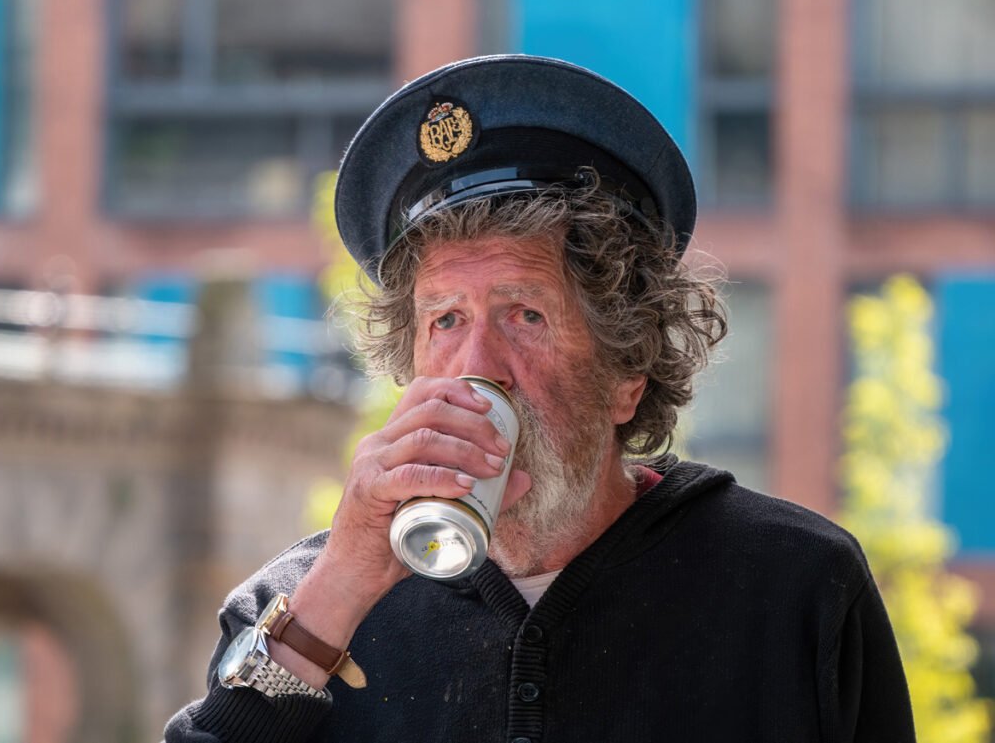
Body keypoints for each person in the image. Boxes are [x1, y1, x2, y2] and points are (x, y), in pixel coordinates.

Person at [165, 55, 915, 743]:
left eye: (525, 314)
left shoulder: (794, 589)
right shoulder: (306, 602)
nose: (477, 367)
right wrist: (337, 594)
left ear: (629, 369)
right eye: (445, 320)